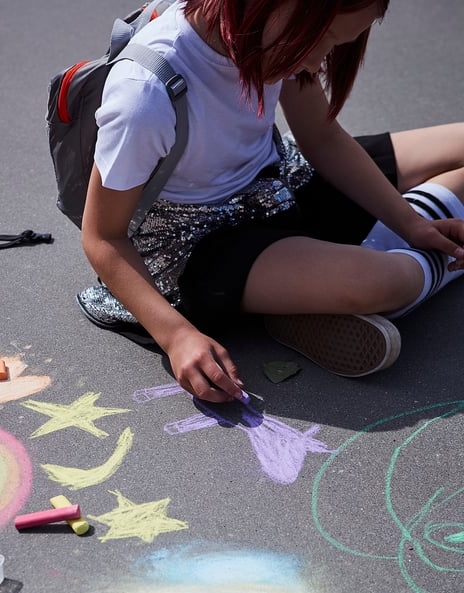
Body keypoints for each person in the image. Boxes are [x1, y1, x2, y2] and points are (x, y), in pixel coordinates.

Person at [78, 0, 464, 403]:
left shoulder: (274, 35)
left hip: (277, 184)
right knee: (390, 281)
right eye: (323, 39)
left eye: (335, 45)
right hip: (200, 247)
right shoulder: (145, 93)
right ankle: (328, 285)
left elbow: (322, 137)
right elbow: (103, 236)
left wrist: (411, 224)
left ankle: (306, 295)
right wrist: (176, 336)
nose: (318, 61)